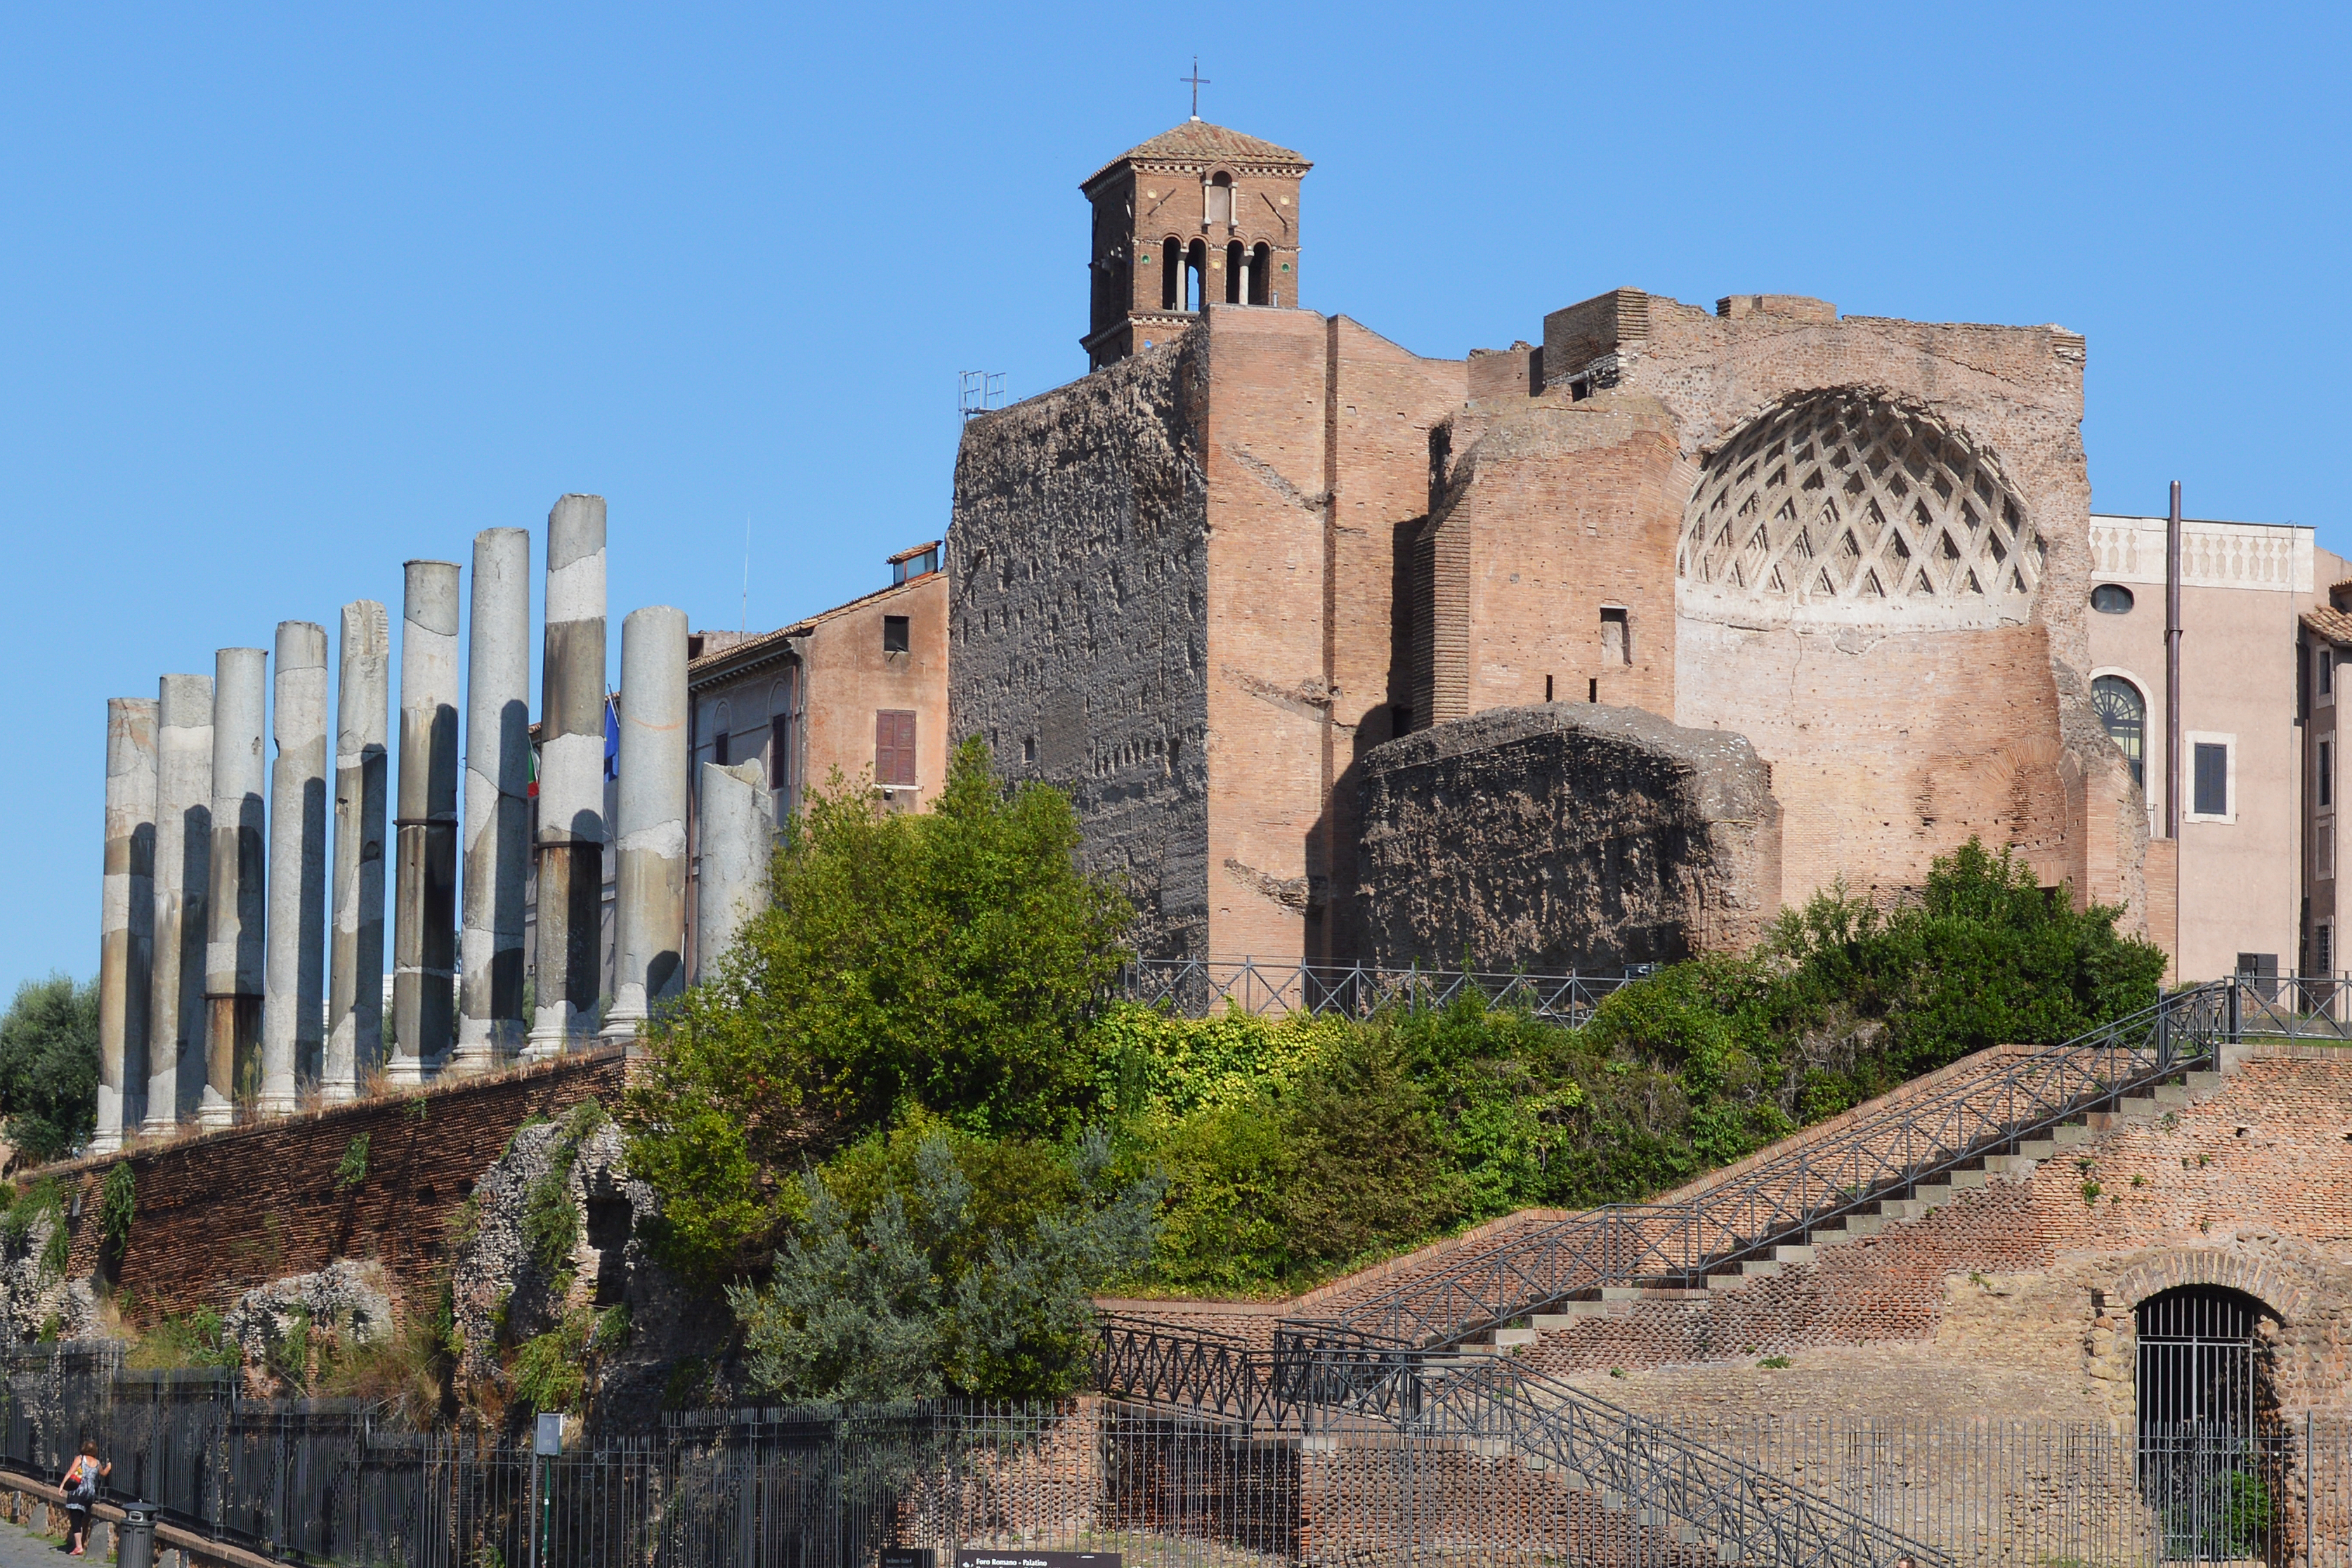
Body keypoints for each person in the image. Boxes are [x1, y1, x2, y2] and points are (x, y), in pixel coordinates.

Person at [60, 1440, 107, 1557]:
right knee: (81, 1517)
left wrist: (62, 1486)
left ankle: (78, 1546)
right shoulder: (97, 1463)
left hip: (78, 1490)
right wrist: (109, 1467)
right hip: (90, 1493)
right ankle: (79, 1543)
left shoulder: (80, 1458)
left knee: (75, 1518)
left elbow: (71, 1472)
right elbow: (103, 1473)